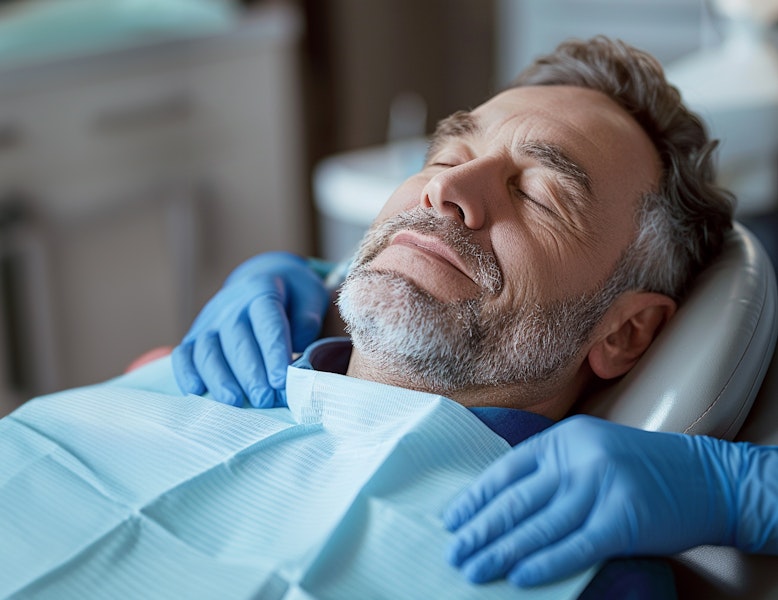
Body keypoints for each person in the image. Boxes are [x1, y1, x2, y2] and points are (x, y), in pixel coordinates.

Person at [166, 34, 778, 592]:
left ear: (624, 332)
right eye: (446, 157)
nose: (445, 191)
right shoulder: (211, 372)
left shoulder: (571, 574)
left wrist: (739, 492)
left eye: (538, 195)